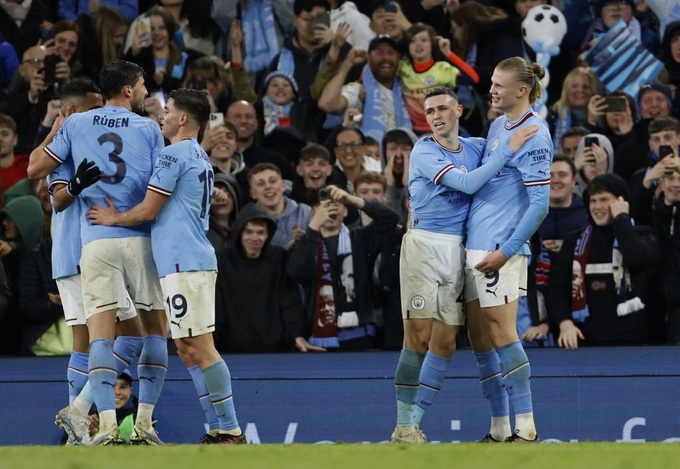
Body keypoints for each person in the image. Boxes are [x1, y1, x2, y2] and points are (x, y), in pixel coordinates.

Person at [87, 88, 246, 445]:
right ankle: (217, 428)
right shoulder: (197, 155)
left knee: (201, 347)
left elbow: (148, 210)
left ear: (184, 119)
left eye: (169, 109)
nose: (163, 114)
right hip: (186, 260)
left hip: (185, 262)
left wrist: (115, 217)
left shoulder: (173, 155)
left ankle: (231, 428)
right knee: (189, 349)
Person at [27, 59, 169, 446]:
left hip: (93, 244)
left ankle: (84, 414)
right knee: (94, 336)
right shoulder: (86, 131)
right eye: (91, 107)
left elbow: (43, 175)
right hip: (88, 247)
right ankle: (86, 422)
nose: (98, 113)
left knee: (116, 336)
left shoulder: (77, 131)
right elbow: (47, 188)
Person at [391, 86, 537, 443]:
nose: (437, 116)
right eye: (430, 112)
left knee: (445, 344)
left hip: (461, 250)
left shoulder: (475, 147)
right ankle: (403, 424)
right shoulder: (424, 151)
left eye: (443, 108)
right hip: (424, 248)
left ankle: (409, 427)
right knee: (419, 340)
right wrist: (509, 150)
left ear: (458, 109)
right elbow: (468, 183)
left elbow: (501, 170)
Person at [464, 57, 553, 443]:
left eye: (499, 85)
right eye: (492, 83)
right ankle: (499, 428)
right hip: (475, 245)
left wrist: (508, 250)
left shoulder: (536, 134)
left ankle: (527, 427)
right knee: (481, 337)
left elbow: (540, 204)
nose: (492, 90)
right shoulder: (500, 124)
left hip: (500, 249)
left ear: (522, 90)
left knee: (503, 333)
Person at [549, 173, 658, 348]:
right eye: (593, 200)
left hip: (634, 342)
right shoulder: (574, 241)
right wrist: (565, 323)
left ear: (621, 202)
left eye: (604, 200)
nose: (597, 207)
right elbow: (557, 289)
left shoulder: (643, 234)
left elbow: (637, 260)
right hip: (583, 340)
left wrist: (621, 220)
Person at [287, 185, 400, 351]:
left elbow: (390, 219)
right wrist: (313, 227)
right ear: (313, 213)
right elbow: (296, 272)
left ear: (346, 211)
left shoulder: (360, 239)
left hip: (360, 336)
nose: (331, 209)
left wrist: (354, 200)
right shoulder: (305, 245)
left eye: (337, 204)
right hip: (318, 338)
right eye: (324, 205)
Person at [214, 204, 305, 353]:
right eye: (248, 232)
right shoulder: (222, 260)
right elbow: (217, 306)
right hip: (230, 350)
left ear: (268, 234)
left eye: (260, 232)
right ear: (239, 232)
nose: (254, 238)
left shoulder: (278, 258)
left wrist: (296, 335)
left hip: (276, 349)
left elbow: (289, 301)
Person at [528, 156, 588, 345]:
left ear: (574, 180)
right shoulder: (528, 213)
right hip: (534, 308)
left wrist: (568, 248)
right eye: (549, 175)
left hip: (578, 303)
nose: (555, 180)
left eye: (562, 174)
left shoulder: (588, 213)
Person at [316, 35, 413, 144]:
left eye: (391, 53)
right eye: (379, 53)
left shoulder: (409, 89)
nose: (386, 58)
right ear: (368, 56)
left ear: (398, 57)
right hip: (370, 156)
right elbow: (327, 104)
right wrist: (347, 64)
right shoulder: (360, 90)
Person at [246, 163, 311, 249]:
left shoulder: (305, 212)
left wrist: (307, 240)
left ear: (283, 185)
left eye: (272, 181)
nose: (268, 186)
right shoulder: (247, 220)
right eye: (261, 184)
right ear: (253, 193)